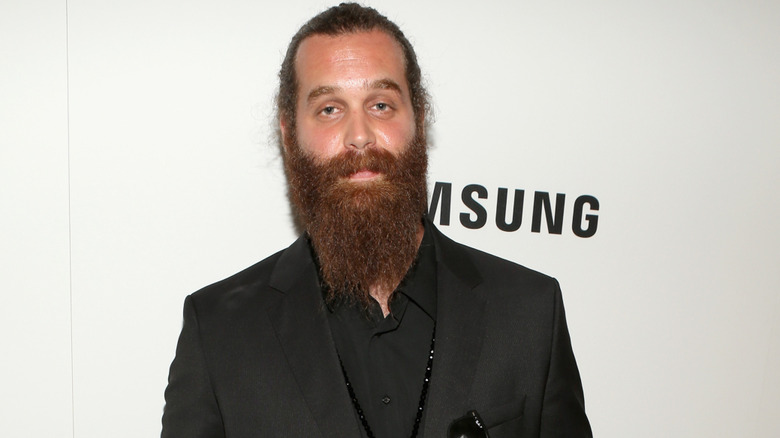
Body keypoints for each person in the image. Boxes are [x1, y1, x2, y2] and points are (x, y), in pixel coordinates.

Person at [161, 3, 592, 437]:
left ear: (419, 120)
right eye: (330, 108)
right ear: (289, 137)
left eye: (381, 104)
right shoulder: (219, 332)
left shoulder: (528, 312)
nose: (360, 135)